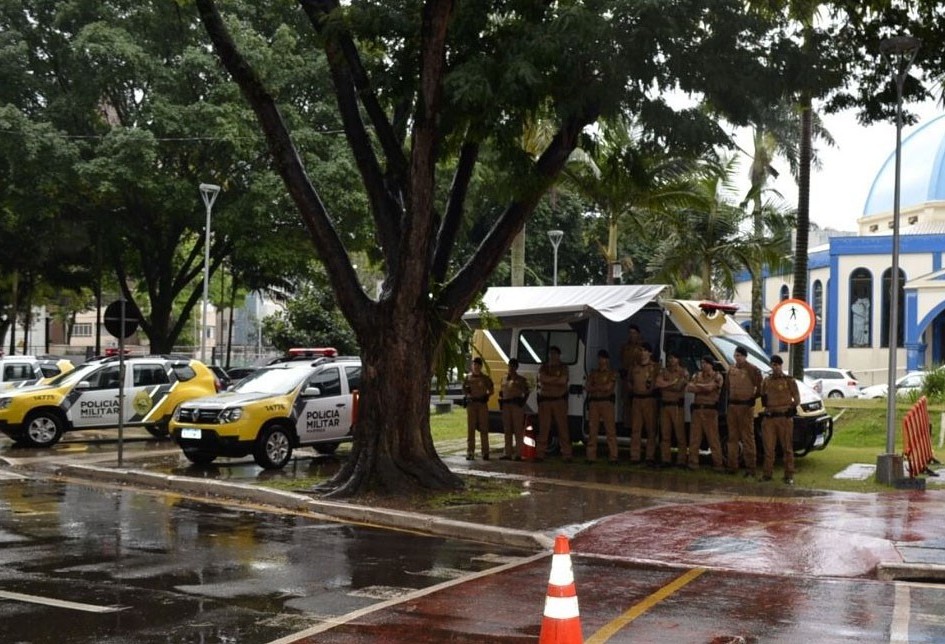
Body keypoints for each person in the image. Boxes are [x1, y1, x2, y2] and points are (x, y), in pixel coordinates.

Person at [760, 354, 800, 485]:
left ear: (781, 365)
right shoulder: (766, 381)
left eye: (777, 365)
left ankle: (789, 475)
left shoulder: (789, 380)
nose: (774, 367)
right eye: (772, 365)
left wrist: (790, 409)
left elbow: (797, 399)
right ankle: (767, 474)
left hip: (784, 418)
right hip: (770, 418)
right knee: (769, 448)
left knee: (787, 448)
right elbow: (763, 398)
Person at [726, 345, 763, 477]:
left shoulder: (753, 369)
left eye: (739, 356)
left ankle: (750, 468)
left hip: (745, 406)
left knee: (747, 437)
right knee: (732, 438)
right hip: (732, 407)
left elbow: (760, 387)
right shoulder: (731, 369)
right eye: (735, 355)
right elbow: (727, 387)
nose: (737, 358)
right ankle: (732, 466)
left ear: (745, 356)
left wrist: (752, 398)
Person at [686, 355, 724, 471]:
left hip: (710, 411)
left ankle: (718, 464)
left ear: (711, 364)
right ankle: (693, 463)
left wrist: (698, 387)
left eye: (705, 363)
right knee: (694, 438)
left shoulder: (717, 376)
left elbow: (710, 388)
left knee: (713, 438)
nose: (703, 365)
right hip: (697, 410)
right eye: (702, 363)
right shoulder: (697, 375)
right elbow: (689, 387)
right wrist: (703, 387)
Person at [537, 345, 571, 462]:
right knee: (544, 428)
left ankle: (566, 454)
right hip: (545, 401)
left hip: (559, 401)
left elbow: (563, 380)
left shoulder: (563, 367)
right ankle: (540, 454)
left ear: (558, 355)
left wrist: (549, 380)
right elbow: (542, 379)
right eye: (550, 353)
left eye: (554, 354)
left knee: (563, 428)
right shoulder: (544, 367)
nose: (552, 356)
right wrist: (555, 380)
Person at [629, 342, 660, 465]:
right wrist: (632, 389)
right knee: (636, 429)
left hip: (649, 400)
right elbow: (629, 381)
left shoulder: (655, 367)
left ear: (650, 353)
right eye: (641, 350)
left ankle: (649, 456)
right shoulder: (634, 367)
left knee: (651, 429)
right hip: (637, 400)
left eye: (645, 350)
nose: (642, 353)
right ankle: (634, 456)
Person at [584, 349, 618, 464]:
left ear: (607, 360)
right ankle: (591, 457)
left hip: (606, 403)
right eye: (599, 358)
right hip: (594, 403)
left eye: (602, 358)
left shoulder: (612, 373)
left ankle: (613, 456)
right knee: (592, 430)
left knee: (610, 431)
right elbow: (588, 387)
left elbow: (608, 387)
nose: (600, 361)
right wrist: (600, 387)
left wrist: (596, 386)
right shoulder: (593, 373)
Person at [656, 352, 689, 467]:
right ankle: (666, 459)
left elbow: (678, 387)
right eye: (669, 358)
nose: (671, 360)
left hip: (676, 406)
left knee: (680, 434)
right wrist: (671, 383)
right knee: (665, 435)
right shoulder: (664, 371)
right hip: (665, 406)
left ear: (678, 359)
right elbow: (658, 383)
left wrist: (666, 385)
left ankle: (681, 460)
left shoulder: (683, 372)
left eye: (673, 358)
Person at [463, 357, 494, 460]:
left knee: (484, 428)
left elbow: (491, 390)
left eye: (478, 365)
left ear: (481, 366)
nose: (476, 367)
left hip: (482, 405)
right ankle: (470, 451)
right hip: (472, 404)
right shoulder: (468, 378)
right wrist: (467, 395)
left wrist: (487, 396)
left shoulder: (485, 378)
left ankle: (485, 452)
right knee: (471, 429)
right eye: (474, 365)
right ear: (472, 366)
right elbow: (464, 390)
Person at [499, 358, 530, 460]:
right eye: (509, 366)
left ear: (516, 367)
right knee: (507, 429)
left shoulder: (521, 380)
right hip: (506, 405)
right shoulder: (504, 378)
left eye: (513, 366)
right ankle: (507, 453)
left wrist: (523, 401)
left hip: (516, 405)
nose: (511, 368)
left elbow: (527, 391)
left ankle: (519, 453)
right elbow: (501, 391)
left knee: (518, 430)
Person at [619, 325, 644, 430]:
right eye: (630, 333)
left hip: (638, 378)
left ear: (638, 334)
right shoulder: (625, 348)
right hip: (626, 378)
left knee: (638, 404)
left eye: (634, 333)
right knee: (626, 403)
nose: (632, 335)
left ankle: (638, 427)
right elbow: (622, 361)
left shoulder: (642, 348)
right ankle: (627, 426)